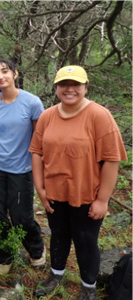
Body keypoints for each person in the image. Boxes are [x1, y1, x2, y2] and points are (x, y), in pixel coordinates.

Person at [30, 66, 127, 300]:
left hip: (86, 194)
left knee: (85, 239)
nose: (69, 89)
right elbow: (36, 152)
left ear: (85, 86)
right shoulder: (48, 116)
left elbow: (112, 160)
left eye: (76, 84)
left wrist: (103, 200)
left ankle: (88, 286)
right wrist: (40, 188)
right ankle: (56, 274)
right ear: (56, 88)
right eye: (64, 84)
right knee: (59, 234)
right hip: (55, 191)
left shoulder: (99, 115)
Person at [0, 59, 46, 276]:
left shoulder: (32, 102)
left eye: (5, 71)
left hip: (22, 167)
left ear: (15, 73)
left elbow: (41, 139)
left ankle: (36, 249)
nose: (0, 76)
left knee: (22, 216)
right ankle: (5, 255)